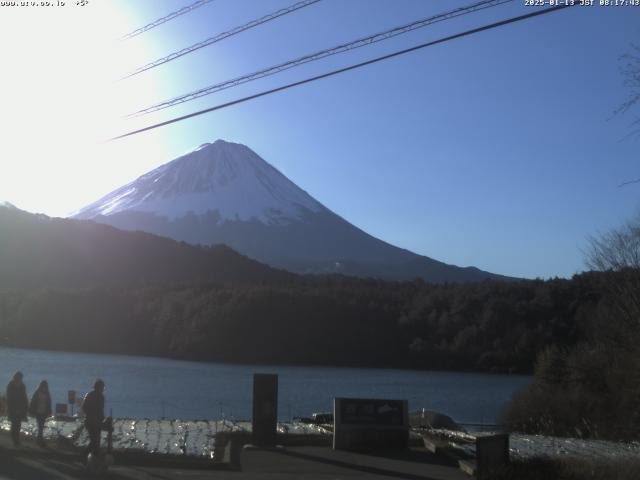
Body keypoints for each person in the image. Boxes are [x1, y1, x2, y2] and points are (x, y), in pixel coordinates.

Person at [81, 379, 105, 457]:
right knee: (95, 440)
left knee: (95, 440)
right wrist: (93, 415)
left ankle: (92, 456)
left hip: (95, 421)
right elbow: (85, 408)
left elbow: (100, 410)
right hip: (91, 421)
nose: (103, 389)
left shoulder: (98, 396)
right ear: (98, 387)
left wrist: (101, 419)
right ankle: (85, 455)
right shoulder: (92, 395)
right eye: (102, 387)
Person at [6, 371, 28, 447]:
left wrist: (25, 407)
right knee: (14, 424)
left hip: (21, 408)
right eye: (19, 377)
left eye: (21, 378)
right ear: (16, 377)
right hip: (12, 408)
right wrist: (12, 407)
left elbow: (24, 397)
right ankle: (15, 440)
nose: (20, 379)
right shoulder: (10, 385)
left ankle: (17, 439)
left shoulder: (22, 386)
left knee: (18, 424)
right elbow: (9, 397)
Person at [29, 380, 52, 447]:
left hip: (44, 412)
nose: (44, 388)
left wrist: (49, 411)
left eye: (45, 387)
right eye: (43, 386)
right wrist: (31, 410)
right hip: (38, 412)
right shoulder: (37, 393)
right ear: (41, 386)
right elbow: (33, 401)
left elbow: (49, 403)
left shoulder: (47, 393)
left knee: (41, 426)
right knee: (40, 426)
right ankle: (40, 440)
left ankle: (39, 439)